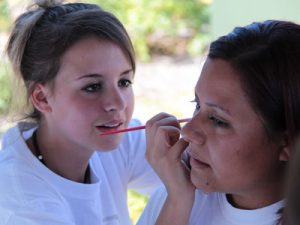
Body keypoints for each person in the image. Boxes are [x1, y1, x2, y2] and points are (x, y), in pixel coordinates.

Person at [0, 1, 160, 225]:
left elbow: (208, 179)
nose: (118, 103)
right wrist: (178, 200)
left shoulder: (112, 140)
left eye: (124, 81)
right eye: (92, 87)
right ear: (42, 98)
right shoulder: (22, 201)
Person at [137, 20, 300, 225]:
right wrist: (178, 202)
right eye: (197, 104)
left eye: (218, 120)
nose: (187, 131)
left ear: (288, 143)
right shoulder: (177, 195)